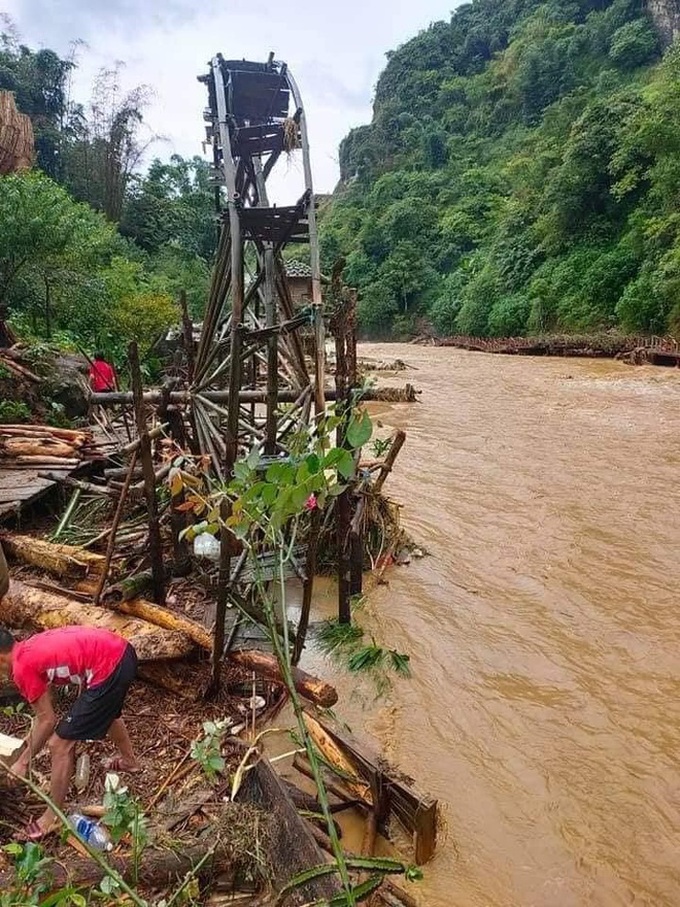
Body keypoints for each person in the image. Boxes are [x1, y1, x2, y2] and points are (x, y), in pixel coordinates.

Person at [0, 625, 139, 840]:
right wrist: (26, 746)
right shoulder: (29, 647)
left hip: (109, 665)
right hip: (120, 651)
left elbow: (47, 721)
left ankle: (52, 817)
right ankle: (130, 761)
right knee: (106, 711)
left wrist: (24, 762)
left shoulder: (21, 667)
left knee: (59, 745)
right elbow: (47, 707)